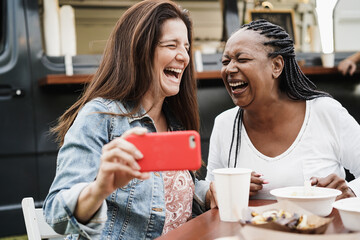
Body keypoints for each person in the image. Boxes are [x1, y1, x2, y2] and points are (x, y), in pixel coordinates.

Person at [43, 1, 214, 239]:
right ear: (138, 50)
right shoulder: (99, 116)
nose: (184, 57)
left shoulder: (174, 119)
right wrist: (98, 189)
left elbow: (170, 187)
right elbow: (55, 213)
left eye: (186, 47)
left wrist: (206, 191)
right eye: (171, 45)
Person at [205, 19, 360, 200]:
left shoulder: (325, 112)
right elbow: (211, 190)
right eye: (225, 61)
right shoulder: (225, 124)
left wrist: (351, 191)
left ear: (276, 66)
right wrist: (226, 189)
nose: (229, 69)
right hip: (247, 229)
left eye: (242, 59)